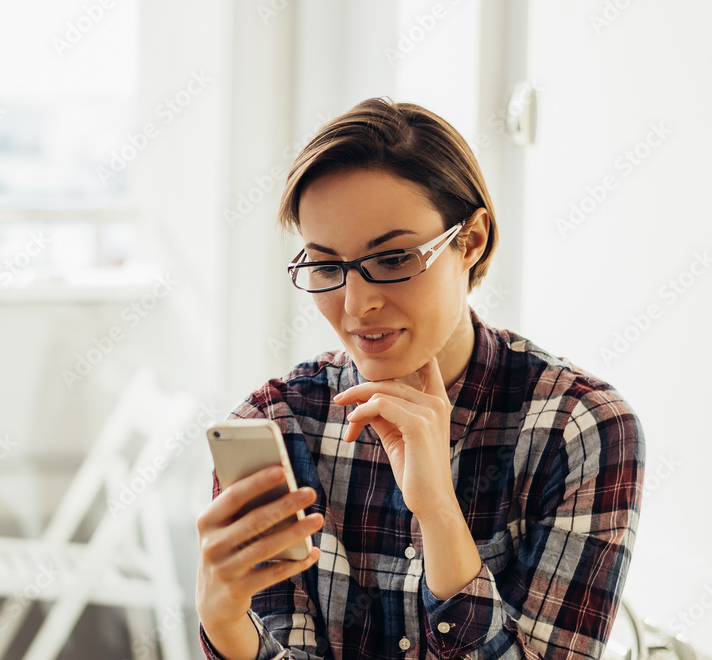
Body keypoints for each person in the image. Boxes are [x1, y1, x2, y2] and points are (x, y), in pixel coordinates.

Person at [194, 97, 645, 660]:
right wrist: (225, 625)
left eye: (393, 258)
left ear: (471, 240)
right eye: (327, 266)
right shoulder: (277, 425)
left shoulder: (580, 427)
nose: (357, 305)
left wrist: (439, 515)